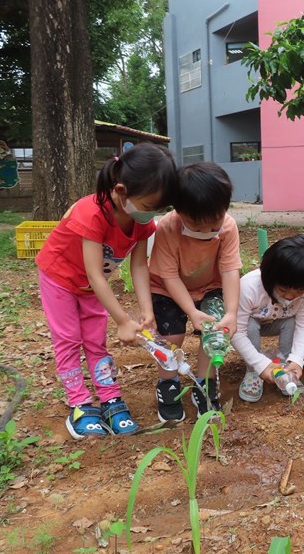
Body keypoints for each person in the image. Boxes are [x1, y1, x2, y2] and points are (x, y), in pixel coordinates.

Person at [35, 143, 176, 439]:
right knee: (69, 340)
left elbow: (139, 266)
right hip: (60, 278)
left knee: (95, 341)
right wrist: (123, 320)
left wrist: (146, 310)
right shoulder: (92, 213)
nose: (151, 214)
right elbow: (95, 273)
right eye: (149, 205)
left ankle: (110, 396)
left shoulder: (141, 221)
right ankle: (79, 403)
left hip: (89, 287)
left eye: (157, 208)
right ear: (121, 190)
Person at [148, 162, 241, 421]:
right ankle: (168, 383)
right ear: (179, 211)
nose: (206, 231)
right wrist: (190, 310)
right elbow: (168, 275)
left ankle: (204, 383)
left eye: (214, 223)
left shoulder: (228, 227)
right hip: (167, 287)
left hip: (209, 286)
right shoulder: (168, 227)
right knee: (172, 335)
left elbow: (230, 269)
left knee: (214, 332)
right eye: (197, 225)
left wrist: (231, 312)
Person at [232, 235, 304, 402]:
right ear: (269, 276)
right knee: (250, 325)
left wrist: (297, 360)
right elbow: (236, 331)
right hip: (252, 322)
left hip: (279, 320)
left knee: (292, 321)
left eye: (298, 291)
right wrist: (259, 364)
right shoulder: (248, 287)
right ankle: (253, 371)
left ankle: (286, 367)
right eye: (283, 289)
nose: (290, 297)